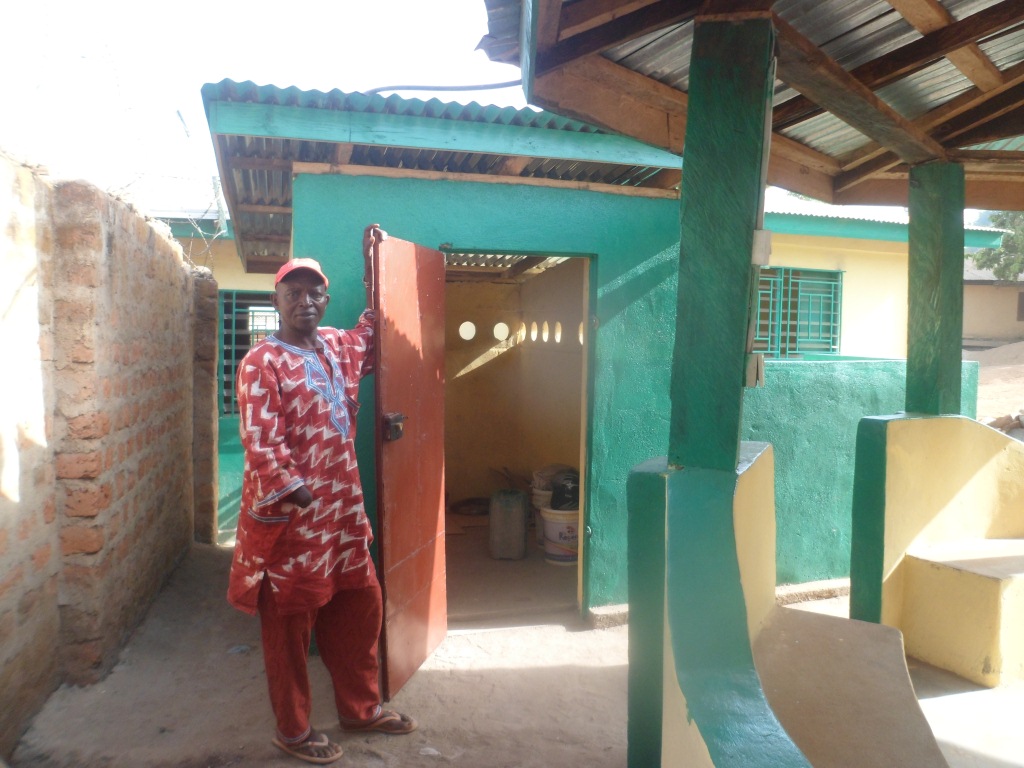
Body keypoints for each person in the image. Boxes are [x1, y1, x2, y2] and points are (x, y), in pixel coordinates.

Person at [228, 239, 416, 765]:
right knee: (289, 626)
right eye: (294, 293)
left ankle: (361, 709)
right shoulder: (261, 361)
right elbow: (262, 442)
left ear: (325, 301)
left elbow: (374, 332)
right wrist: (300, 491)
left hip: (344, 518)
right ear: (277, 302)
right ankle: (292, 731)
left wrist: (374, 261)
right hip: (294, 522)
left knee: (361, 605)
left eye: (315, 293)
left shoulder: (337, 347)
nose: (305, 301)